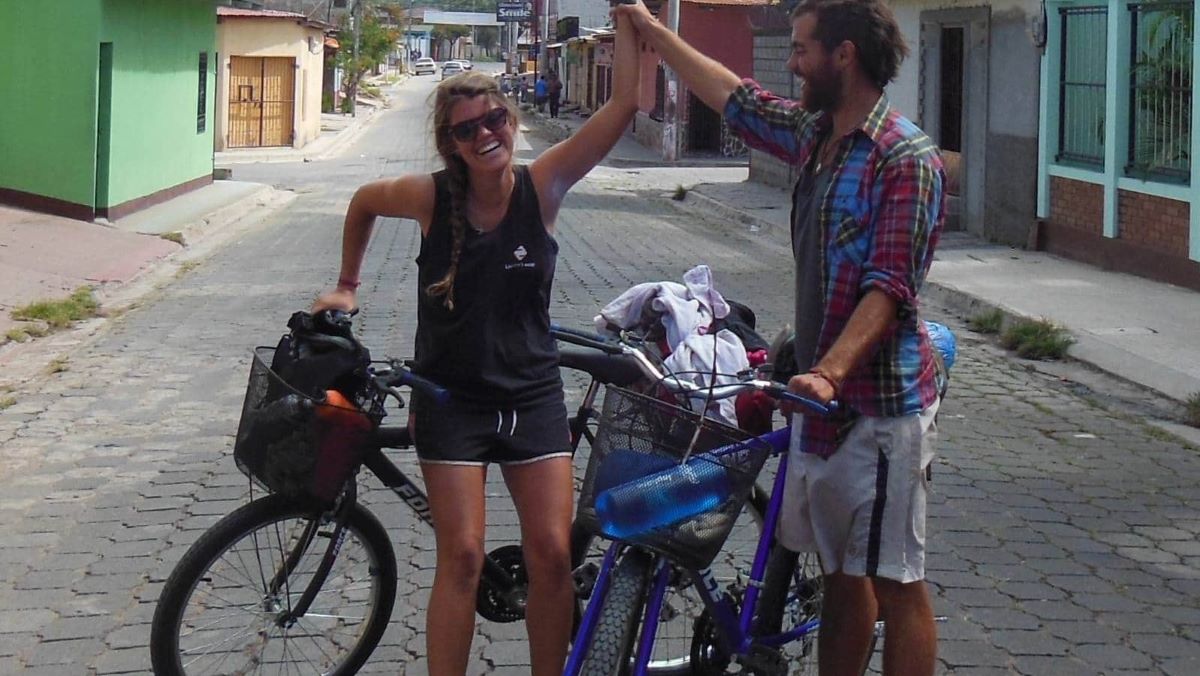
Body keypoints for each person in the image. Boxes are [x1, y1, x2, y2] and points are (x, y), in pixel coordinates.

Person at [613, 1, 944, 675]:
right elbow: (734, 97)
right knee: (844, 575)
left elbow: (890, 288)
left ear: (843, 55)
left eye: (799, 48)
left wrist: (831, 372)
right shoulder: (816, 135)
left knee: (895, 579)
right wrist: (653, 32)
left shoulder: (903, 158)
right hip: (817, 405)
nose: (790, 62)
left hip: (879, 408)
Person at [311, 17, 641, 676]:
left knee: (550, 554)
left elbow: (624, 104)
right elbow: (362, 201)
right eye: (467, 129)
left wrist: (631, 16)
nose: (486, 134)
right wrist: (347, 285)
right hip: (450, 402)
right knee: (461, 555)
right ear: (451, 143)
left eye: (493, 119)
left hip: (532, 397)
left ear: (509, 119)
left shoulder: (541, 185)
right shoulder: (430, 197)